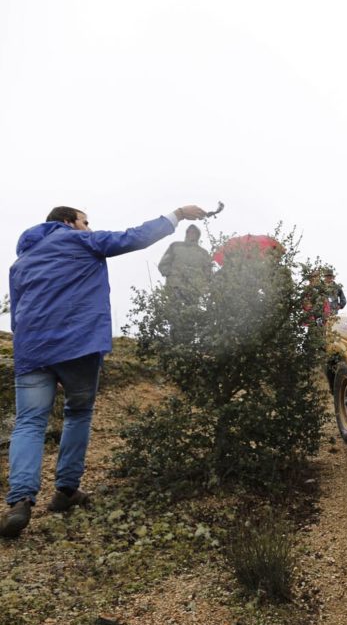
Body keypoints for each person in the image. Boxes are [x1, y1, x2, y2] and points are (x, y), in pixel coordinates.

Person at [0, 204, 208, 538]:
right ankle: (66, 491)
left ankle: (20, 501)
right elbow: (133, 238)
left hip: (32, 349)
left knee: (29, 422)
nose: (88, 226)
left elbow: (18, 311)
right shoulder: (82, 242)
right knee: (78, 412)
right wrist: (177, 214)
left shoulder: (21, 261)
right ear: (68, 222)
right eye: (85, 221)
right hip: (77, 344)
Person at [157, 224, 212, 303]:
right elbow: (163, 263)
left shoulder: (203, 253)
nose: (191, 234)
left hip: (193, 289)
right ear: (186, 233)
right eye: (189, 232)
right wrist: (170, 274)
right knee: (172, 311)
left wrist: (202, 286)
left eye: (194, 233)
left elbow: (208, 273)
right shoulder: (175, 246)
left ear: (198, 236)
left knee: (191, 313)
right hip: (174, 286)